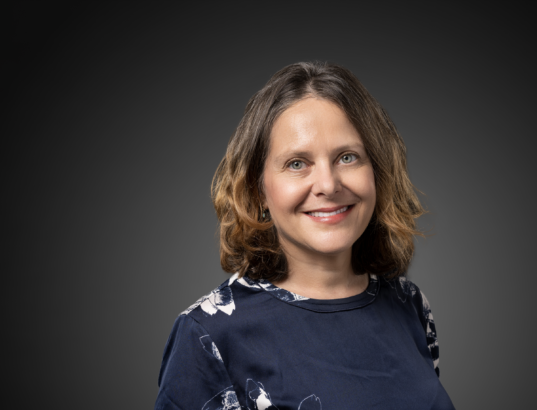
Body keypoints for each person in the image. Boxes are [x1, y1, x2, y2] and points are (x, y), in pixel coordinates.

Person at [155, 61, 455, 409]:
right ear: (258, 190)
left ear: (378, 172)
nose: (328, 185)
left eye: (347, 157)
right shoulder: (208, 334)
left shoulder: (410, 304)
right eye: (297, 163)